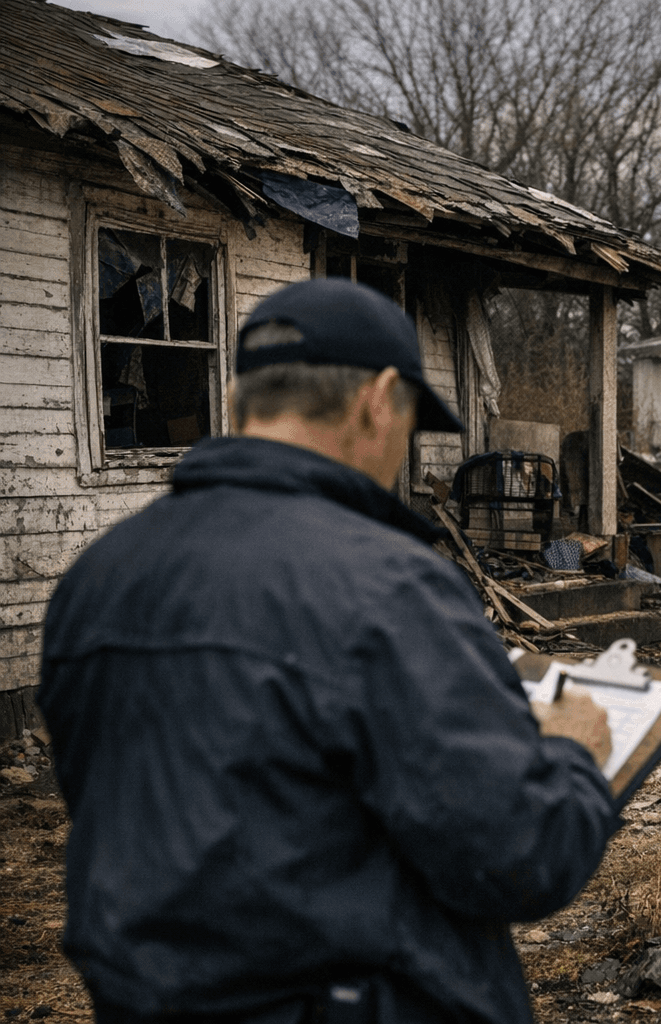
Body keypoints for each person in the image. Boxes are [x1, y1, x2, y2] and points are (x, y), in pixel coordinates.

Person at [39, 278, 617, 1024]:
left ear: (245, 399)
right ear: (380, 398)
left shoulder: (99, 576)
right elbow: (516, 858)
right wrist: (574, 756)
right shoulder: (388, 586)